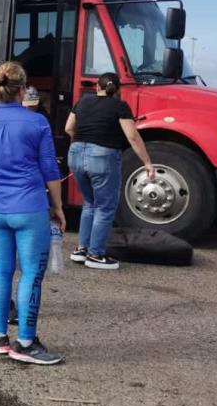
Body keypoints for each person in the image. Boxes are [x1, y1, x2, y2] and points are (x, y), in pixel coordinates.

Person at [0, 61, 65, 365]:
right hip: (29, 208)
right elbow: (50, 169)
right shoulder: (37, 123)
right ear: (22, 90)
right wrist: (59, 208)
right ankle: (25, 342)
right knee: (31, 275)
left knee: (1, 272)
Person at [65, 72, 154, 270]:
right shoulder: (120, 106)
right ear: (118, 90)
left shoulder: (83, 102)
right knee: (105, 208)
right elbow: (132, 137)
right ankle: (96, 254)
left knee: (89, 203)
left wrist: (82, 145)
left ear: (98, 87)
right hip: (103, 157)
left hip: (76, 153)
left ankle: (81, 249)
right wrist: (147, 162)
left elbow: (68, 128)